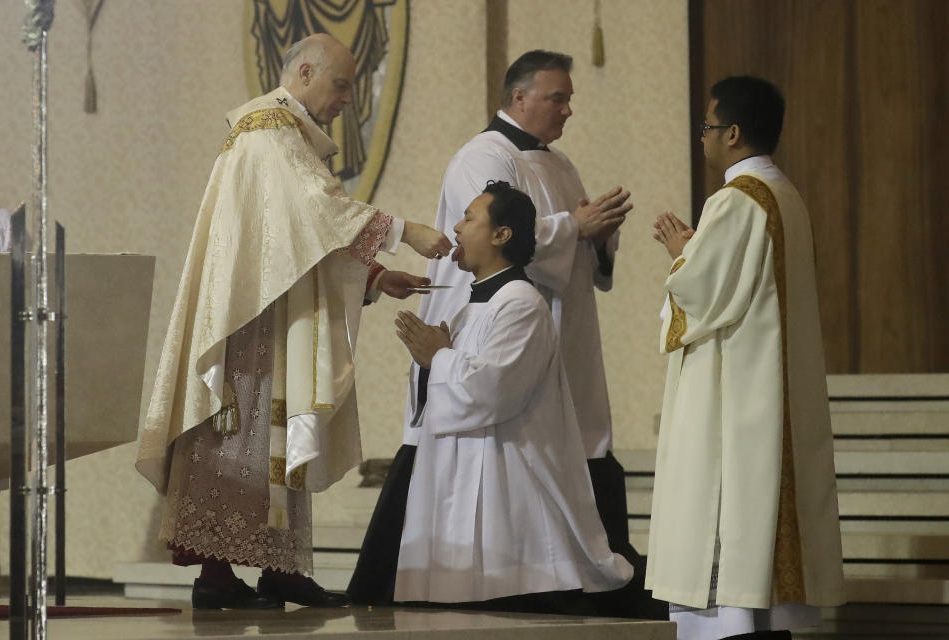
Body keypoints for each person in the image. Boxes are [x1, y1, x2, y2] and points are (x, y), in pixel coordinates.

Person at [135, 34, 451, 610]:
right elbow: (318, 208)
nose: (349, 100)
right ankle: (218, 572)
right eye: (342, 84)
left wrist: (378, 278)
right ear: (304, 72)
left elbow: (302, 237)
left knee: (272, 437)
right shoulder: (267, 130)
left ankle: (275, 569)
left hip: (268, 309)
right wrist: (408, 232)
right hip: (249, 317)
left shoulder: (281, 133)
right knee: (242, 439)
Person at [349, 49, 663, 619]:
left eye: (569, 98)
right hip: (494, 316)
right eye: (557, 97)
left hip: (555, 321)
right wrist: (575, 226)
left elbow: (572, 248)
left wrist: (598, 235)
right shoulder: (483, 156)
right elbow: (502, 236)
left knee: (574, 437)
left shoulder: (561, 165)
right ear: (519, 98)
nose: (568, 110)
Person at [647, 76, 845, 640]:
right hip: (768, 390)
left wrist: (681, 256)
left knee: (727, 531)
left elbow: (700, 296)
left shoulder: (736, 200)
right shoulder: (786, 194)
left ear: (732, 133)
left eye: (707, 128)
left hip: (734, 401)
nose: (702, 139)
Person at [392, 180, 633, 611]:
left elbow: (493, 391)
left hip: (505, 480)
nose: (457, 228)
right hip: (455, 474)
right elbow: (446, 393)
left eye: (469, 218)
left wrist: (439, 358)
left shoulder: (521, 303)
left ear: (502, 235)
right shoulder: (470, 308)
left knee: (502, 609)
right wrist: (433, 361)